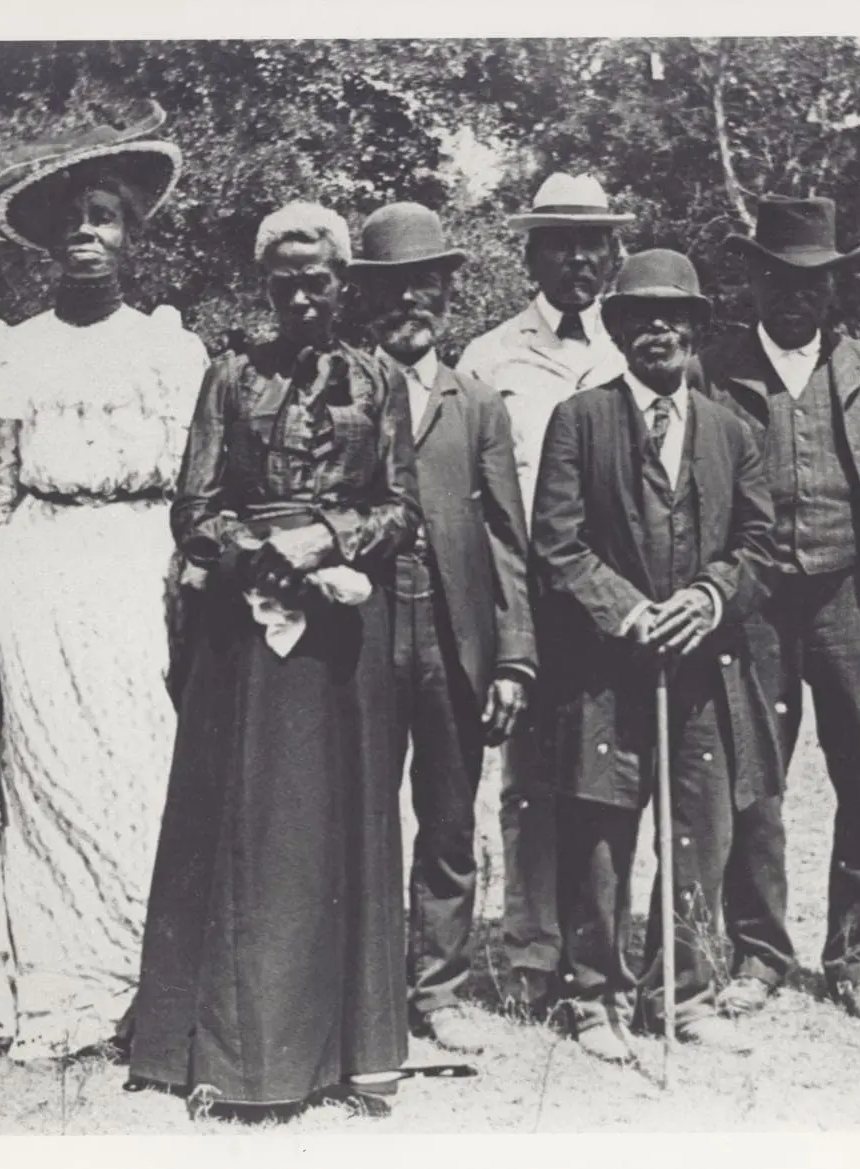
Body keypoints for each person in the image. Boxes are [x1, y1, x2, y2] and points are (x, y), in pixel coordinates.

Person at [127, 201, 421, 1114]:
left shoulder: (379, 381)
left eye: (318, 278)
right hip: (242, 637)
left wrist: (328, 538)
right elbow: (194, 506)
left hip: (341, 641)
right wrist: (264, 558)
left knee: (339, 824)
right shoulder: (228, 377)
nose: (302, 293)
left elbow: (403, 508)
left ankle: (342, 1055)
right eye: (284, 278)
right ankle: (229, 1055)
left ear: (343, 285)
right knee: (242, 826)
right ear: (265, 285)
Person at [0, 101, 209, 1060]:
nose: (87, 235)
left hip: (138, 577)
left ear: (134, 234)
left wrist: (188, 599)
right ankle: (58, 987)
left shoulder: (171, 353)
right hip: (46, 577)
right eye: (73, 221)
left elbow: (193, 497)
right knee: (50, 777)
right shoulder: (12, 351)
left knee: (136, 771)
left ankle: (144, 982)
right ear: (50, 242)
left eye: (105, 216)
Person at [531, 249, 779, 1062]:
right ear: (619, 329)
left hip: (703, 669)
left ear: (698, 331)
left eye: (675, 317)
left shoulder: (733, 431)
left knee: (698, 831)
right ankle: (590, 995)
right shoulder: (582, 419)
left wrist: (707, 598)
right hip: (606, 669)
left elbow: (759, 544)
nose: (658, 330)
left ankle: (684, 992)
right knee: (601, 828)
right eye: (640, 317)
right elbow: (557, 547)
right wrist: (630, 612)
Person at [700, 195, 860, 1027]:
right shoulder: (713, 370)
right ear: (754, 279)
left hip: (851, 602)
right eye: (780, 277)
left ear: (833, 288)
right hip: (753, 607)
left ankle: (859, 959)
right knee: (753, 784)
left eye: (815, 281)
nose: (797, 295)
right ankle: (758, 952)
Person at [349, 202, 536, 1054]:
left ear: (447, 295)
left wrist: (514, 660)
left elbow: (507, 536)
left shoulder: (481, 404)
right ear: (368, 299)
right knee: (361, 810)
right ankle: (363, 981)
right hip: (362, 635)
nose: (408, 305)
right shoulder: (341, 389)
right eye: (390, 290)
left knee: (449, 820)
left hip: (457, 637)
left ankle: (442, 986)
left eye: (423, 287)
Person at [456, 173, 632, 1014]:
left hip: (610, 603)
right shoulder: (489, 358)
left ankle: (602, 950)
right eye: (560, 241)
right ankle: (530, 954)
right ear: (530, 251)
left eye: (593, 242)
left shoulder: (635, 348)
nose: (579, 259)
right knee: (527, 780)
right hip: (523, 599)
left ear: (613, 251)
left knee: (603, 781)